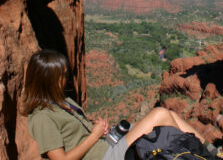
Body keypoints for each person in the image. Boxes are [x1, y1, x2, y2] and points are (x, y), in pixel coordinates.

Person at [23, 49, 207, 160]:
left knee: (170, 116)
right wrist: (93, 136)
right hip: (104, 156)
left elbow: (76, 130)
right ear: (47, 80)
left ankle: (211, 151)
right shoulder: (42, 117)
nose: (66, 79)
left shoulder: (62, 101)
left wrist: (95, 127)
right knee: (160, 114)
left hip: (107, 144)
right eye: (61, 76)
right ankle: (205, 154)